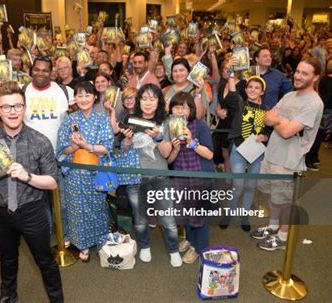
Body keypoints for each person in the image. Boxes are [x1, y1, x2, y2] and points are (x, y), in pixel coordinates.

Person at [0, 82, 63, 302]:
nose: (13, 111)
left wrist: (27, 176)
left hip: (33, 212)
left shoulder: (40, 141)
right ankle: (8, 296)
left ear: (24, 108)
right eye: (7, 107)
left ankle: (57, 299)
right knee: (7, 259)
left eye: (18, 106)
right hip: (1, 214)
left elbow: (52, 182)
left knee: (45, 261)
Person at [253, 57, 324, 251]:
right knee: (273, 197)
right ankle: (273, 226)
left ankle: (283, 237)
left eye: (305, 73)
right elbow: (266, 117)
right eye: (298, 71)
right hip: (272, 155)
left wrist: (278, 120)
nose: (298, 76)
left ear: (315, 77)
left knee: (284, 202)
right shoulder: (290, 96)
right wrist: (280, 120)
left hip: (288, 161)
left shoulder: (314, 103)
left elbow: (286, 132)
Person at [118, 83, 181, 267]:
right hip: (136, 178)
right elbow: (124, 152)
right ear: (139, 101)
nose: (148, 103)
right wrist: (128, 140)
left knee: (168, 219)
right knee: (140, 218)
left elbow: (167, 154)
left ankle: (173, 249)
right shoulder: (131, 119)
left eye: (152, 99)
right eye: (144, 98)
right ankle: (144, 245)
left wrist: (158, 137)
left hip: (160, 176)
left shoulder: (167, 122)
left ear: (159, 101)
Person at [56, 81, 113, 262]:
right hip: (75, 174)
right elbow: (61, 150)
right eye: (79, 95)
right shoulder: (69, 121)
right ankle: (83, 245)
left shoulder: (102, 119)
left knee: (98, 208)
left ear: (94, 97)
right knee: (77, 210)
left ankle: (101, 239)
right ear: (75, 98)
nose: (83, 99)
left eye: (87, 95)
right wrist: (74, 147)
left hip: (96, 171)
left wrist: (86, 145)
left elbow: (107, 147)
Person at [219, 57, 271, 231]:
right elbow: (233, 93)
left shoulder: (267, 111)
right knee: (238, 184)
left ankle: (245, 215)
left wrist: (265, 137)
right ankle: (229, 212)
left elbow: (271, 130)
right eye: (250, 87)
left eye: (257, 87)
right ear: (246, 89)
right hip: (239, 149)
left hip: (257, 152)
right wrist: (232, 72)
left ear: (262, 91)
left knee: (251, 185)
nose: (253, 90)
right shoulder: (241, 104)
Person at [166, 91, 214, 264]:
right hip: (180, 176)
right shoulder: (169, 128)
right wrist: (176, 148)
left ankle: (199, 248)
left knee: (199, 216)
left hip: (200, 177)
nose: (180, 111)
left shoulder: (200, 126)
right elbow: (169, 160)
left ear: (191, 110)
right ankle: (190, 239)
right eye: (177, 107)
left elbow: (209, 155)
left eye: (184, 107)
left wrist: (192, 142)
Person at [24, 56, 73, 150]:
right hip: (30, 153)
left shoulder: (65, 91)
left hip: (58, 154)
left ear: (51, 73)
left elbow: (81, 112)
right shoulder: (22, 91)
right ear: (31, 71)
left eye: (45, 70)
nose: (40, 73)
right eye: (36, 70)